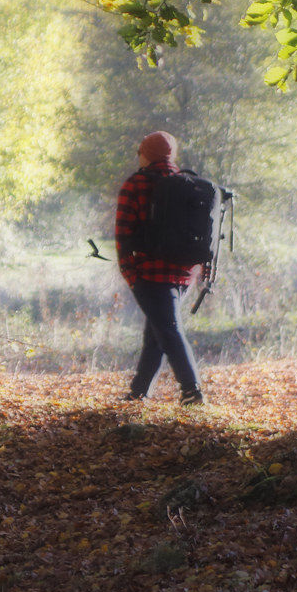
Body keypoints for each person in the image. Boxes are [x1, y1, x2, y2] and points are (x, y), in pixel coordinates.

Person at [115, 131, 204, 405]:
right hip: (185, 273)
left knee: (168, 329)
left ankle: (192, 390)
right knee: (157, 330)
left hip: (150, 273)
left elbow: (122, 234)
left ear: (146, 154)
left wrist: (130, 274)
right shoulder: (190, 184)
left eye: (139, 151)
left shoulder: (136, 184)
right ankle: (139, 392)